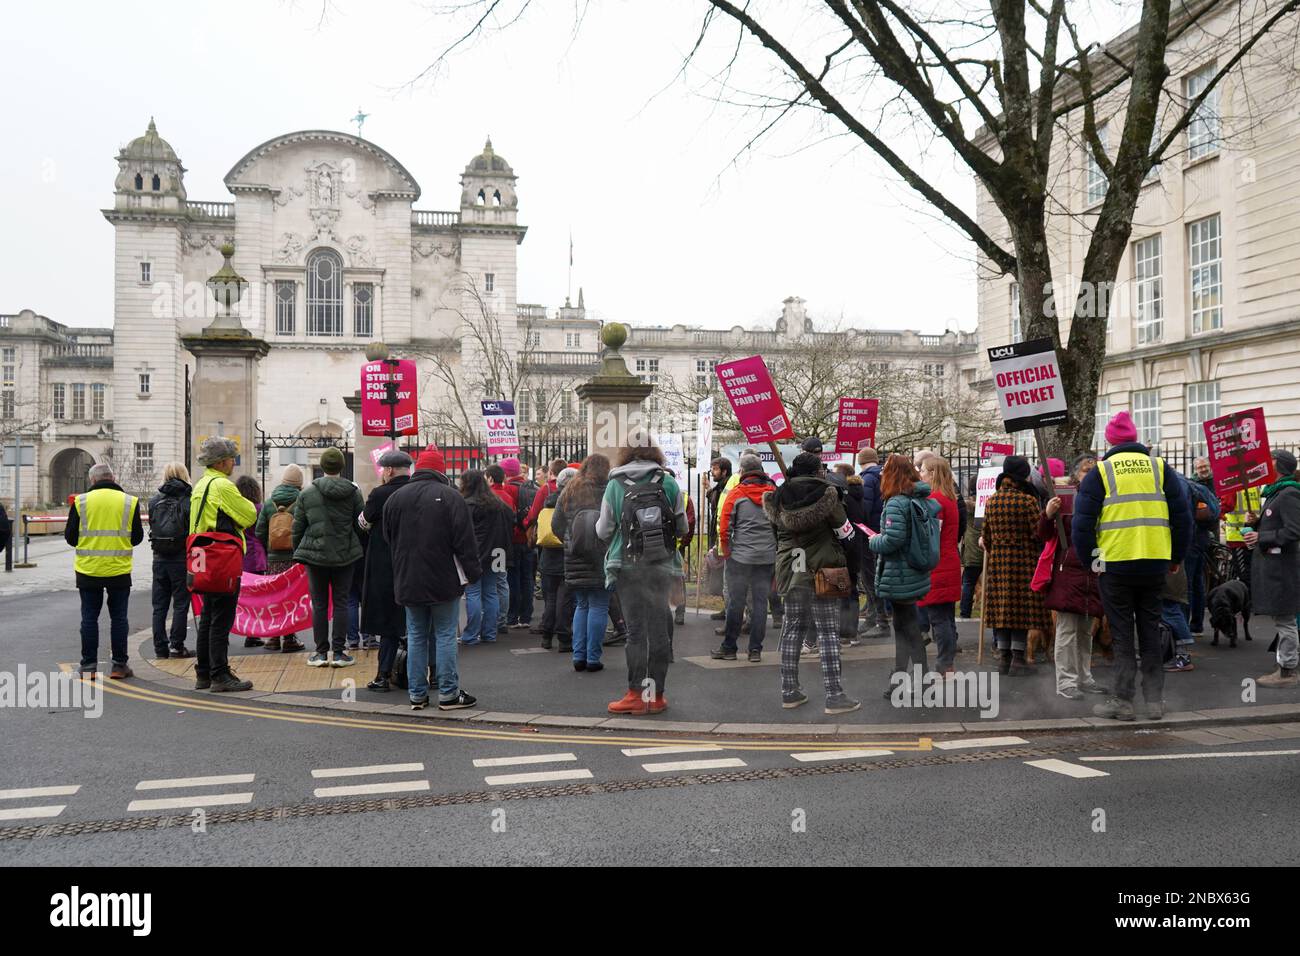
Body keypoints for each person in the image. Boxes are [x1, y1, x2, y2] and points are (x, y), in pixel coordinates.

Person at [1074, 411, 1191, 720]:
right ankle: (1154, 701)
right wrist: (1175, 557)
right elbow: (1182, 518)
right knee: (1150, 630)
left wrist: (1092, 562)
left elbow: (1082, 525)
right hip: (1154, 563)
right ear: (1136, 438)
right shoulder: (1159, 468)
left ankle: (1123, 701)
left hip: (1115, 565)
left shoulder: (1102, 471)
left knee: (1123, 635)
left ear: (1110, 440)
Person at [384, 445, 480, 710]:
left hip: (408, 577)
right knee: (446, 634)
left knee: (415, 635)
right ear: (441, 471)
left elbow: (388, 538)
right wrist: (472, 574)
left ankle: (417, 694)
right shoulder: (451, 497)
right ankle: (448, 693)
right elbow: (465, 541)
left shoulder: (396, 498)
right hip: (443, 578)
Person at [599, 437, 689, 713]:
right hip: (661, 565)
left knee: (636, 632)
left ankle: (635, 694)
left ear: (625, 454)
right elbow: (683, 527)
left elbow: (603, 530)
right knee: (659, 630)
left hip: (627, 567)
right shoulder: (669, 483)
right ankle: (656, 695)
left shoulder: (615, 484)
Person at [765, 452, 858, 714]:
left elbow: (776, 535)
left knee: (792, 629)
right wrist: (852, 566)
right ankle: (834, 695)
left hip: (791, 569)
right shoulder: (828, 495)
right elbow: (845, 533)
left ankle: (789, 691)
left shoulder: (780, 496)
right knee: (828, 632)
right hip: (824, 569)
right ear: (817, 471)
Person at [189, 438, 259, 692]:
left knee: (207, 616)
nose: (234, 462)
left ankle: (203, 672)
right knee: (221, 617)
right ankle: (220, 674)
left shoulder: (200, 484)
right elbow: (249, 514)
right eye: (231, 458)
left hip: (203, 556)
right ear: (220, 462)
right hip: (222, 559)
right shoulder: (222, 485)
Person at [66, 461, 144, 679]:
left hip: (88, 570)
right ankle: (119, 665)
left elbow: (70, 537)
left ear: (92, 480)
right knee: (119, 618)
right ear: (114, 478)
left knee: (89, 618)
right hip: (119, 569)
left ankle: (88, 666)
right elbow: (137, 537)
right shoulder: (129, 501)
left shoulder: (81, 501)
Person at [1039, 454, 1107, 698]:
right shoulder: (1065, 499)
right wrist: (1048, 513)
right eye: (1085, 470)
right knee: (1068, 629)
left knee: (1086, 629)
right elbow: (1046, 534)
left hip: (1095, 565)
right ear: (1076, 474)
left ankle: (1084, 676)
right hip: (1070, 568)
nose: (1089, 474)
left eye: (1094, 470)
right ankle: (1066, 681)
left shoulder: (1107, 497)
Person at [869, 455, 937, 694]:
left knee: (906, 628)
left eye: (884, 470)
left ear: (892, 474)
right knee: (906, 627)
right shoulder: (915, 497)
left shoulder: (897, 502)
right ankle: (915, 677)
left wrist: (874, 540)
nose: (880, 475)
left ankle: (906, 679)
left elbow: (893, 539)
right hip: (912, 571)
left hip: (900, 574)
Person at [292, 446, 364, 668]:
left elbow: (297, 528)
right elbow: (360, 525)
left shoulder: (307, 493)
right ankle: (340, 653)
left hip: (316, 557)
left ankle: (321, 653)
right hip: (345, 555)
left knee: (320, 604)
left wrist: (300, 551)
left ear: (322, 467)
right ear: (342, 466)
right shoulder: (353, 492)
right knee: (342, 602)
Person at [980, 454, 1050, 676]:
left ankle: (1004, 659)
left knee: (1003, 610)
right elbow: (1038, 533)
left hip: (999, 563)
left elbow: (986, 538)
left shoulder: (992, 501)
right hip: (1024, 562)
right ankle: (1018, 659)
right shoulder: (1028, 502)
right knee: (1020, 611)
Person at [712, 452, 777, 663]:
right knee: (759, 604)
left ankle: (729, 648)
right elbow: (781, 525)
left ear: (742, 471)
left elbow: (724, 528)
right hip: (766, 557)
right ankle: (755, 651)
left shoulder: (736, 493)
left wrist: (727, 551)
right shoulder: (773, 492)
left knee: (736, 603)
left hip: (740, 558)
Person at [1245, 449, 1300, 688]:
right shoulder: (1275, 493)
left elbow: (1294, 531)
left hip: (1282, 569)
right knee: (1283, 619)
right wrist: (1256, 522)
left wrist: (1261, 536)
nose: (1265, 463)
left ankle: (1288, 671)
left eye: (1271, 459)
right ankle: (1285, 666)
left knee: (1286, 620)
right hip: (1275, 568)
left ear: (1279, 466)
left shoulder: (1288, 493)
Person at [553, 454, 613, 672]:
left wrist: (569, 542)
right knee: (599, 605)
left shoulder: (570, 490)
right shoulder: (609, 490)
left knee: (582, 605)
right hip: (602, 556)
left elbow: (556, 524)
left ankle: (578, 656)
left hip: (574, 556)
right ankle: (593, 658)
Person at [360, 450, 413, 691]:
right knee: (415, 623)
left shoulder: (380, 494)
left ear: (389, 470)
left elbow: (364, 521)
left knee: (388, 624)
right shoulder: (416, 491)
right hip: (413, 564)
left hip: (384, 565)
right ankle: (419, 674)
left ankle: (382, 675)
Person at [253, 463, 307, 652]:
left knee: (274, 597)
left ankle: (273, 638)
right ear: (299, 483)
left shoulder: (269, 502)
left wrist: (269, 548)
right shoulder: (302, 500)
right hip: (294, 558)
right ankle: (290, 638)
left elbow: (259, 531)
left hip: (273, 559)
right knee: (292, 597)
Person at [459, 469, 514, 645]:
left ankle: (471, 635)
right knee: (491, 593)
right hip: (496, 554)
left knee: (473, 593)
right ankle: (489, 633)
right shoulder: (497, 503)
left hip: (475, 554)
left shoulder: (467, 505)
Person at [918, 456, 961, 673]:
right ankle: (948, 661)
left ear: (933, 473)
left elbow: (930, 535)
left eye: (923, 470)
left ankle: (945, 664)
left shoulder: (934, 500)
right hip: (950, 561)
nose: (920, 474)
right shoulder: (949, 498)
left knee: (939, 619)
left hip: (938, 565)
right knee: (947, 617)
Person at [147, 462, 193, 659]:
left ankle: (160, 648)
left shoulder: (154, 500)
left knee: (159, 606)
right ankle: (177, 646)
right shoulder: (188, 500)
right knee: (181, 604)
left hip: (159, 558)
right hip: (181, 557)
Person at [537, 466, 576, 650]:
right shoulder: (573, 502)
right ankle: (564, 637)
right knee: (564, 599)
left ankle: (546, 635)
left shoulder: (548, 500)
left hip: (547, 554)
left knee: (550, 598)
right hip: (566, 554)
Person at [500, 457, 538, 630]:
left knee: (512, 578)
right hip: (529, 537)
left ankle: (513, 616)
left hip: (513, 539)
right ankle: (526, 616)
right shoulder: (532, 488)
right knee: (527, 578)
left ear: (506, 473)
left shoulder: (506, 489)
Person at [856, 446, 889, 637]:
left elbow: (864, 508)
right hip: (881, 532)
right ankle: (875, 617)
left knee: (870, 579)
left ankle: (880, 621)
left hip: (869, 534)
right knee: (875, 577)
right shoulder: (884, 475)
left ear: (861, 461)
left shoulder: (867, 478)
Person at [486, 463, 514, 635]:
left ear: (489, 478)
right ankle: (501, 619)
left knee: (487, 586)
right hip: (502, 546)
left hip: (486, 547)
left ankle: (491, 620)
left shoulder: (486, 496)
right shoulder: (507, 497)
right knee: (501, 583)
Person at [704, 456, 733, 621]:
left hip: (726, 538)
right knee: (721, 575)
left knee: (728, 577)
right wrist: (708, 489)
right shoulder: (719, 487)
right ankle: (726, 607)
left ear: (724, 471)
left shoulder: (729, 487)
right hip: (717, 537)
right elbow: (715, 500)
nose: (712, 472)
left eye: (715, 469)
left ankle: (733, 611)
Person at [959, 473, 982, 621]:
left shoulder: (966, 506)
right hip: (984, 547)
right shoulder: (986, 505)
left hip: (971, 550)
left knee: (968, 582)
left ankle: (964, 612)